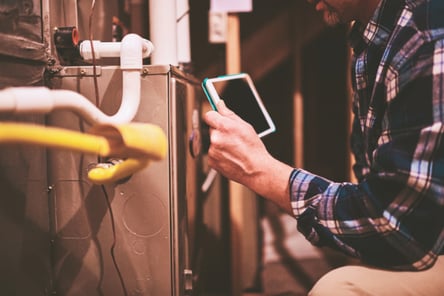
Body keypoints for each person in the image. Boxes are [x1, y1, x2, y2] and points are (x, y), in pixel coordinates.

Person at [203, 0, 444, 294]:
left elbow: (400, 226)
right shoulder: (376, 36)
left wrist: (262, 172)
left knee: (335, 289)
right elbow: (375, 186)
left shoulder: (426, 39)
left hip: (427, 241)